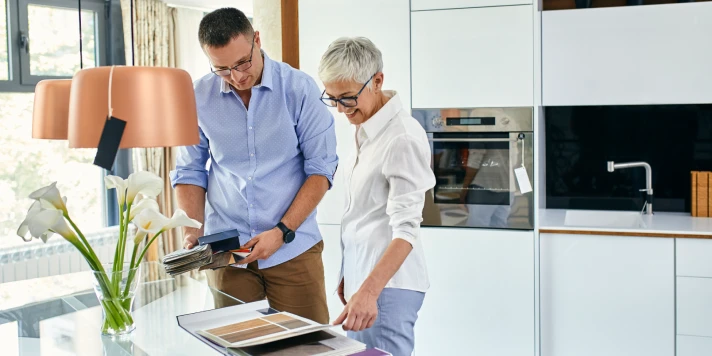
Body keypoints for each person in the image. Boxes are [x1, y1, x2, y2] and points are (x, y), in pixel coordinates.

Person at [169, 7, 338, 324]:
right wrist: (193, 228)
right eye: (222, 69)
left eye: (243, 62)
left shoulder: (299, 89)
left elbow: (321, 171)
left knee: (309, 347)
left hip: (292, 248)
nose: (236, 76)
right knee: (238, 346)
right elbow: (190, 171)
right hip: (227, 253)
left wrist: (282, 231)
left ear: (256, 40)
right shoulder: (197, 96)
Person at [317, 37, 436, 356]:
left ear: (377, 80)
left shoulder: (402, 139)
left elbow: (406, 230)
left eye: (348, 98)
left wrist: (368, 290)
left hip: (389, 288)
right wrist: (350, 273)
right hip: (368, 282)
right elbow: (363, 215)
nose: (341, 109)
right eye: (333, 99)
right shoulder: (366, 128)